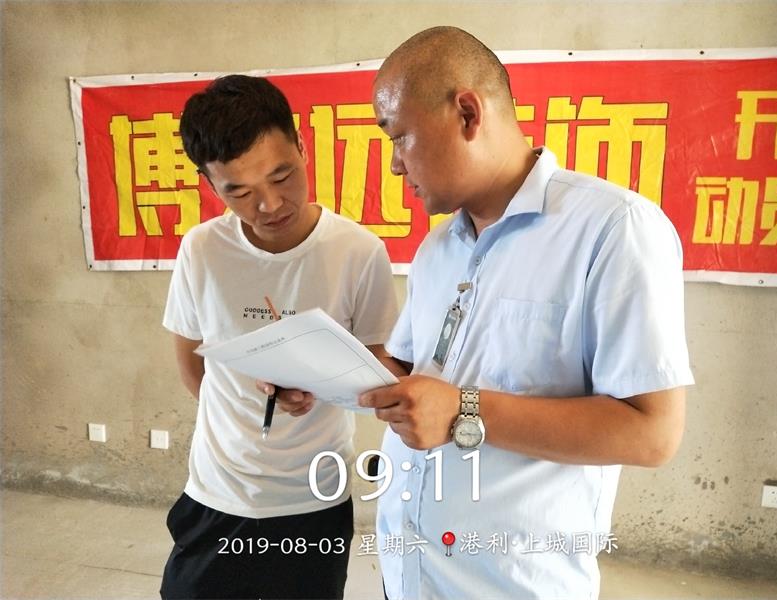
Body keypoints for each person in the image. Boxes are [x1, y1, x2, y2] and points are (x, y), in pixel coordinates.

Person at [357, 26, 695, 599]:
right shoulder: (438, 250)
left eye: (400, 137)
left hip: (511, 585)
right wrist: (322, 371)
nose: (394, 165)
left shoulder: (612, 230)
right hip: (407, 573)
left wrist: (463, 409)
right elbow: (415, 373)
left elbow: (652, 433)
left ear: (467, 113)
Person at [160, 74, 398, 600]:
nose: (269, 205)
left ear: (303, 148)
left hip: (313, 496)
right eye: (239, 192)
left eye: (282, 176)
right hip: (218, 492)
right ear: (210, 185)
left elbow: (380, 376)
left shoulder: (358, 253)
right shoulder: (202, 250)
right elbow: (192, 367)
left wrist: (318, 386)